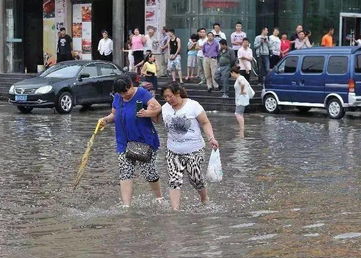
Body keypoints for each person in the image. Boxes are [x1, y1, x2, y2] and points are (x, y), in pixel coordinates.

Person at [99, 75, 163, 208]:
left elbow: (158, 109)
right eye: (121, 93)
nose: (124, 96)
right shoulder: (118, 96)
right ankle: (126, 205)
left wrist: (147, 113)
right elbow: (114, 114)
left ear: (131, 85)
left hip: (143, 140)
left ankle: (159, 197)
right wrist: (105, 120)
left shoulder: (142, 94)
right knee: (125, 171)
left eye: (125, 92)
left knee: (148, 171)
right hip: (123, 141)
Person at [158, 82, 219, 211]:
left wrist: (211, 138)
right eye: (165, 97)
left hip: (194, 149)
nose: (168, 100)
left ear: (177, 93)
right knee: (174, 180)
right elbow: (155, 118)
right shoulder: (164, 108)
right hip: (173, 150)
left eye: (170, 96)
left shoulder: (193, 106)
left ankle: (204, 198)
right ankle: (175, 211)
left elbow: (205, 122)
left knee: (195, 178)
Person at [230, 66, 252, 134]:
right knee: (240, 114)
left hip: (241, 98)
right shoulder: (240, 78)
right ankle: (241, 128)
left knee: (237, 114)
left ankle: (241, 129)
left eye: (231, 74)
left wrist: (242, 91)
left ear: (233, 73)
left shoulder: (240, 78)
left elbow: (242, 84)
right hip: (241, 97)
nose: (231, 75)